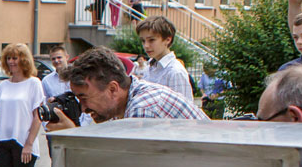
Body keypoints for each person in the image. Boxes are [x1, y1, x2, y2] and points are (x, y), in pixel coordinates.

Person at [58, 46, 208, 124]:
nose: (83, 109)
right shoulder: (129, 100)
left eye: (83, 97)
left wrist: (72, 134)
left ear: (113, 89)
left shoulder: (142, 110)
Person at [136, 16, 195, 102]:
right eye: (143, 41)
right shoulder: (149, 69)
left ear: (167, 39)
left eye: (151, 40)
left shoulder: (175, 72)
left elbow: (183, 111)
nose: (146, 45)